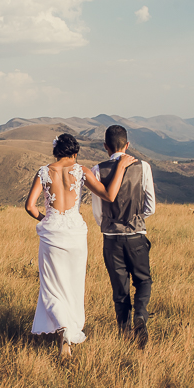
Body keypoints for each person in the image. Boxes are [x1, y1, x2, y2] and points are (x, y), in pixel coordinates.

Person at [25, 133, 135, 359]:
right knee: (74, 285)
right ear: (74, 153)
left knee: (52, 287)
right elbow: (109, 195)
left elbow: (30, 206)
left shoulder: (44, 172)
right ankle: (70, 330)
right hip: (75, 233)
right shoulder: (81, 170)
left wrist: (44, 218)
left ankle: (63, 328)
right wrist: (122, 165)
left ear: (56, 152)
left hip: (52, 233)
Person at [91, 124, 156, 349]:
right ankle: (140, 315)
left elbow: (97, 211)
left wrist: (109, 224)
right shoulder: (143, 167)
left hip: (111, 238)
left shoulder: (97, 170)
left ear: (105, 147)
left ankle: (124, 333)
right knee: (143, 280)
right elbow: (151, 206)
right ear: (127, 145)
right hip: (137, 234)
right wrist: (137, 217)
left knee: (119, 289)